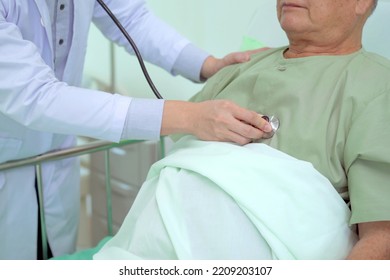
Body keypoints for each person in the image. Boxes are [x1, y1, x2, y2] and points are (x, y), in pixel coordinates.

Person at [94, 0, 390, 260]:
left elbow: (381, 237)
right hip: (152, 243)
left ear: (361, 2)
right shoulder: (243, 66)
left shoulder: (376, 86)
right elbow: (182, 161)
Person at [0, 0, 272, 260]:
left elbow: (132, 19)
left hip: (55, 164)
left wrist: (208, 65)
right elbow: (36, 96)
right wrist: (189, 116)